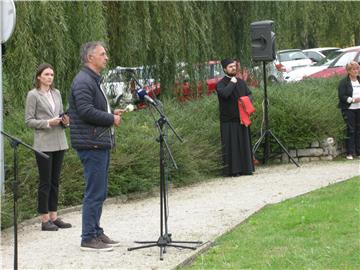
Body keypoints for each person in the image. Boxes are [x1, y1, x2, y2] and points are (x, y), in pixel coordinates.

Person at [68, 41, 123, 252]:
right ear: (90, 57)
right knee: (94, 191)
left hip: (98, 142)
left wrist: (111, 113)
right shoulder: (83, 81)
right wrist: (110, 118)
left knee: (100, 190)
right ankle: (88, 237)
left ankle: (96, 231)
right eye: (102, 54)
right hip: (91, 144)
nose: (106, 57)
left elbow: (92, 108)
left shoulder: (93, 80)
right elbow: (85, 111)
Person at [25, 63, 72, 231]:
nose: (50, 77)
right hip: (43, 143)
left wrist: (65, 121)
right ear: (39, 77)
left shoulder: (56, 93)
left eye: (52, 74)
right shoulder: (33, 95)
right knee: (45, 182)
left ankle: (54, 216)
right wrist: (47, 122)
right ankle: (44, 220)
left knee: (55, 182)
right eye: (46, 74)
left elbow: (60, 116)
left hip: (59, 141)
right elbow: (29, 121)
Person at [216, 58, 255, 177]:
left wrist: (246, 101)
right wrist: (232, 82)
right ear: (224, 69)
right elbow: (225, 94)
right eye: (230, 67)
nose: (233, 68)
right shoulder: (221, 84)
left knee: (243, 144)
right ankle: (233, 171)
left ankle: (246, 168)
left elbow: (249, 94)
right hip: (228, 121)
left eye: (234, 66)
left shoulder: (241, 82)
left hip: (242, 119)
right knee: (231, 146)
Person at [338, 61, 360, 160]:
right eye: (353, 69)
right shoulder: (344, 82)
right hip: (348, 109)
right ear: (348, 71)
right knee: (351, 130)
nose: (356, 71)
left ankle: (358, 152)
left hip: (359, 108)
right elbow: (341, 96)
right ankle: (349, 153)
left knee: (359, 130)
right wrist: (353, 100)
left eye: (357, 69)